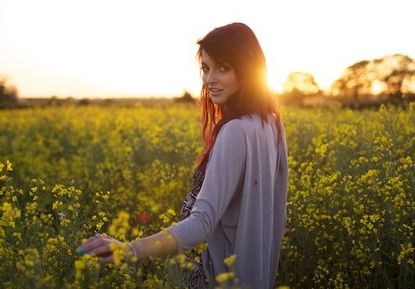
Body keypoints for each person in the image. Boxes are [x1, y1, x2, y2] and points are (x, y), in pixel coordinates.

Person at [77, 22, 288, 289]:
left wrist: (128, 250)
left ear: (247, 70)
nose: (210, 79)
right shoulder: (271, 123)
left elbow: (202, 223)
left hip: (222, 278)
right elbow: (277, 209)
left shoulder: (235, 131)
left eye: (223, 68)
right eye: (206, 68)